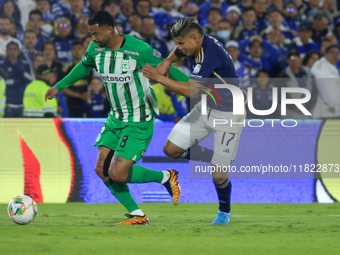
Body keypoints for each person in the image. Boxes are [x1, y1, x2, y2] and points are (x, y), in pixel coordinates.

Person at [45, 10, 188, 225]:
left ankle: (165, 177)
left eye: (95, 34)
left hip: (139, 120)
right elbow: (83, 66)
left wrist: (194, 88)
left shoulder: (138, 49)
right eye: (90, 34)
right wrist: (58, 87)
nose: (92, 39)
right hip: (115, 118)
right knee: (101, 169)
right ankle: (137, 214)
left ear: (109, 30)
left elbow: (167, 70)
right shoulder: (96, 48)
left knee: (118, 174)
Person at [143, 17, 246, 225]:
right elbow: (179, 52)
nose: (179, 47)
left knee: (218, 176)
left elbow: (191, 90)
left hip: (229, 113)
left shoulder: (209, 55)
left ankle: (224, 213)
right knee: (171, 149)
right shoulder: (197, 43)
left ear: (195, 38)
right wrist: (167, 60)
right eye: (177, 43)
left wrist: (160, 77)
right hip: (207, 108)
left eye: (181, 43)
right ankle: (217, 159)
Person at [0, 41, 32, 117]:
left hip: (23, 104)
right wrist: (21, 80)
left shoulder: (25, 64)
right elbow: (4, 83)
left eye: (15, 49)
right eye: (10, 49)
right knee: (7, 129)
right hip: (7, 104)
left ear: (19, 52)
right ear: (6, 51)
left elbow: (29, 80)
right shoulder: (1, 65)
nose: (12, 52)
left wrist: (16, 65)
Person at [311, 45, 340, 118]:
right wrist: (329, 103)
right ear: (325, 54)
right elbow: (320, 84)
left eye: (337, 53)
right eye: (332, 53)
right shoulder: (320, 65)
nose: (335, 55)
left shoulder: (334, 68)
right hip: (324, 111)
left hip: (336, 110)